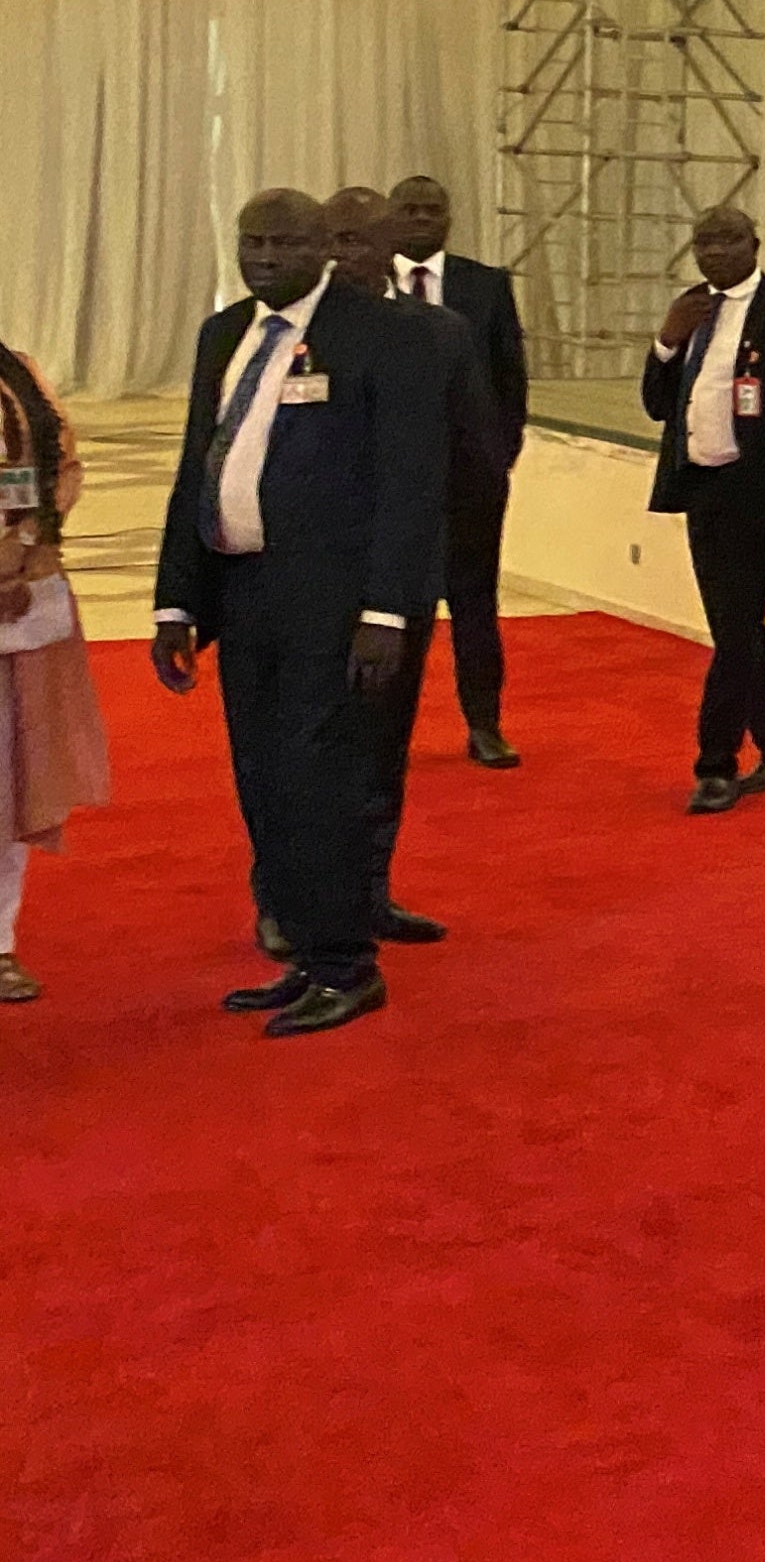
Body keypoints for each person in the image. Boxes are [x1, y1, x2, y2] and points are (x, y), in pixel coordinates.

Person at [151, 188, 449, 1038]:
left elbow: (410, 484)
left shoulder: (386, 337)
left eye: (287, 242)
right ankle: (308, 953)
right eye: (254, 242)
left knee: (321, 779)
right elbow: (197, 471)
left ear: (325, 247)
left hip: (338, 602)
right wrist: (177, 600)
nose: (267, 257)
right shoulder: (224, 333)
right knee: (265, 779)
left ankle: (348, 965)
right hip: (244, 596)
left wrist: (389, 612)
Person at [318, 185, 508, 948]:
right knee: (300, 748)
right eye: (331, 241)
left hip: (399, 578)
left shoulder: (439, 334)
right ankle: (286, 900)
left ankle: (369, 893)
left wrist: (446, 549)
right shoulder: (275, 336)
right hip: (304, 579)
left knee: (381, 748)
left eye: (359, 241)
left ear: (389, 245)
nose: (344, 257)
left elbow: (477, 453)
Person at [641, 204, 765, 815]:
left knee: (734, 632)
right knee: (740, 628)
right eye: (704, 242)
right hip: (704, 490)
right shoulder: (692, 311)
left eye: (729, 240)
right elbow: (656, 406)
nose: (715, 251)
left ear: (755, 243)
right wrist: (666, 341)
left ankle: (716, 764)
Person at [386, 173, 528, 767]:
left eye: (432, 209)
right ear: (391, 219)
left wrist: (495, 460)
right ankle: (385, 732)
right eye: (409, 209)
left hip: (469, 483)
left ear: (448, 218)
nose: (421, 219)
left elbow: (509, 383)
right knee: (391, 608)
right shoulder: (362, 285)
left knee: (475, 608)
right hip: (390, 485)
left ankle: (484, 724)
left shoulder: (485, 286)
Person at [0, 334, 112, 1005]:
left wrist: (24, 548)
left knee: (8, 779)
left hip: (17, 594)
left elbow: (58, 471)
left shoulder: (21, 377)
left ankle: (0, 943)